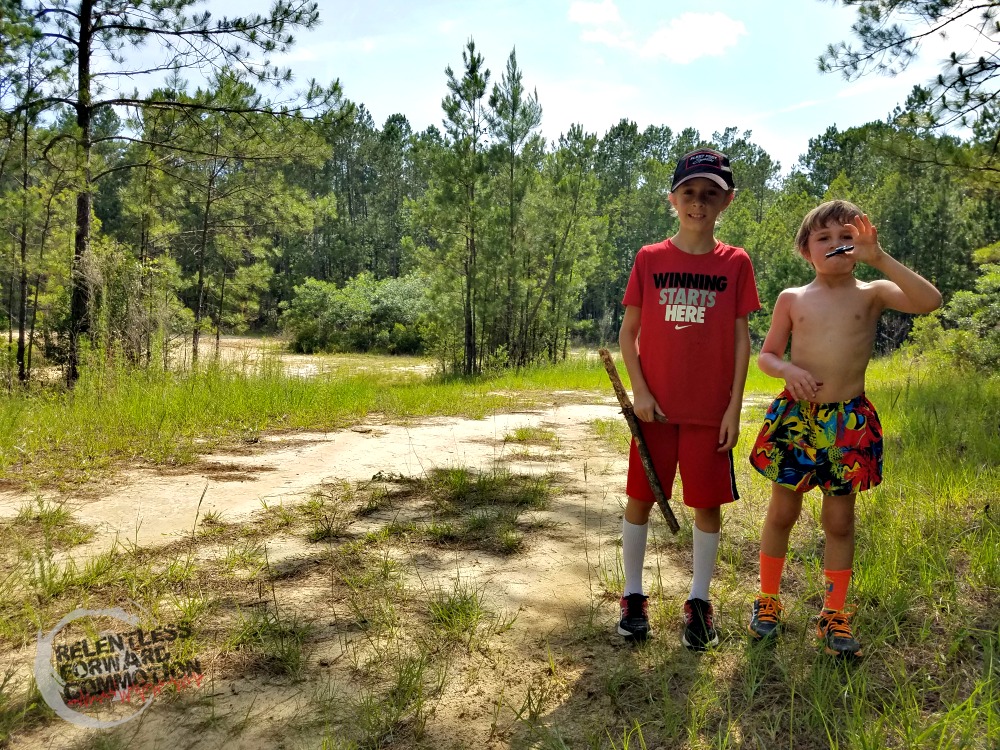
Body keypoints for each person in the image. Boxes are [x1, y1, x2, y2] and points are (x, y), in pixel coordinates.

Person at [747, 199, 942, 657]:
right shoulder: (792, 299)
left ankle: (834, 613)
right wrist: (787, 371)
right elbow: (767, 354)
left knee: (839, 521)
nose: (837, 245)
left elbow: (929, 301)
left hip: (847, 423)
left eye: (846, 238)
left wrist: (879, 258)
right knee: (782, 513)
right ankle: (768, 601)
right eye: (825, 238)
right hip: (798, 420)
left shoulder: (872, 291)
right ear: (806, 250)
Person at [617, 148, 761, 650]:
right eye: (689, 193)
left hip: (707, 414)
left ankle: (699, 602)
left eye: (710, 195)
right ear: (673, 199)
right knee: (640, 499)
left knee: (706, 506)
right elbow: (628, 333)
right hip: (653, 410)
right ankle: (633, 597)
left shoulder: (735, 263)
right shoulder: (650, 259)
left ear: (727, 201)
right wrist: (639, 390)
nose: (698, 203)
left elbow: (742, 338)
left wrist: (733, 406)